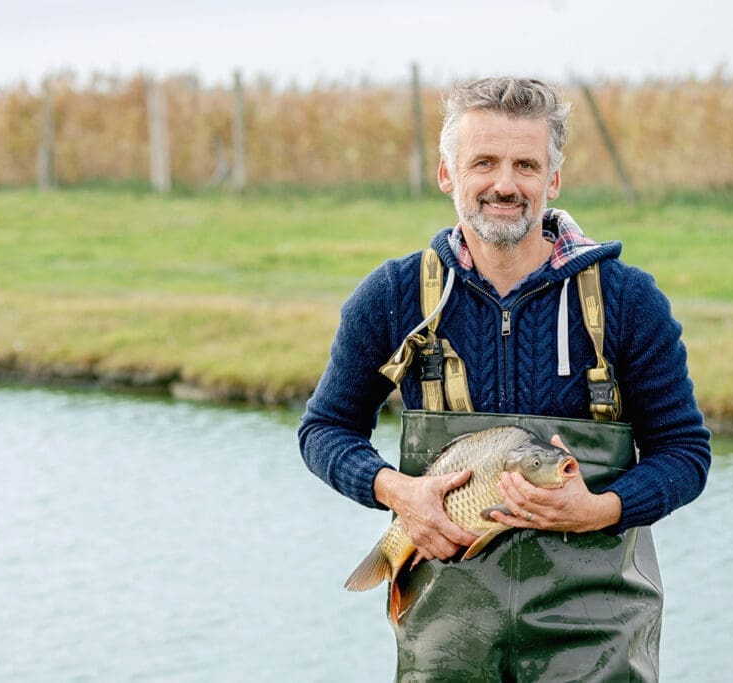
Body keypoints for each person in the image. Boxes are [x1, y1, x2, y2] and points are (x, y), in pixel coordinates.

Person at [298, 77, 710, 681]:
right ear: (447, 174)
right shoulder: (392, 297)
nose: (505, 185)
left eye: (526, 165)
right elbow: (324, 429)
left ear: (553, 180)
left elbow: (685, 453)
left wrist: (600, 510)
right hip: (448, 643)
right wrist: (395, 491)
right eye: (483, 162)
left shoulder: (627, 301)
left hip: (597, 645)